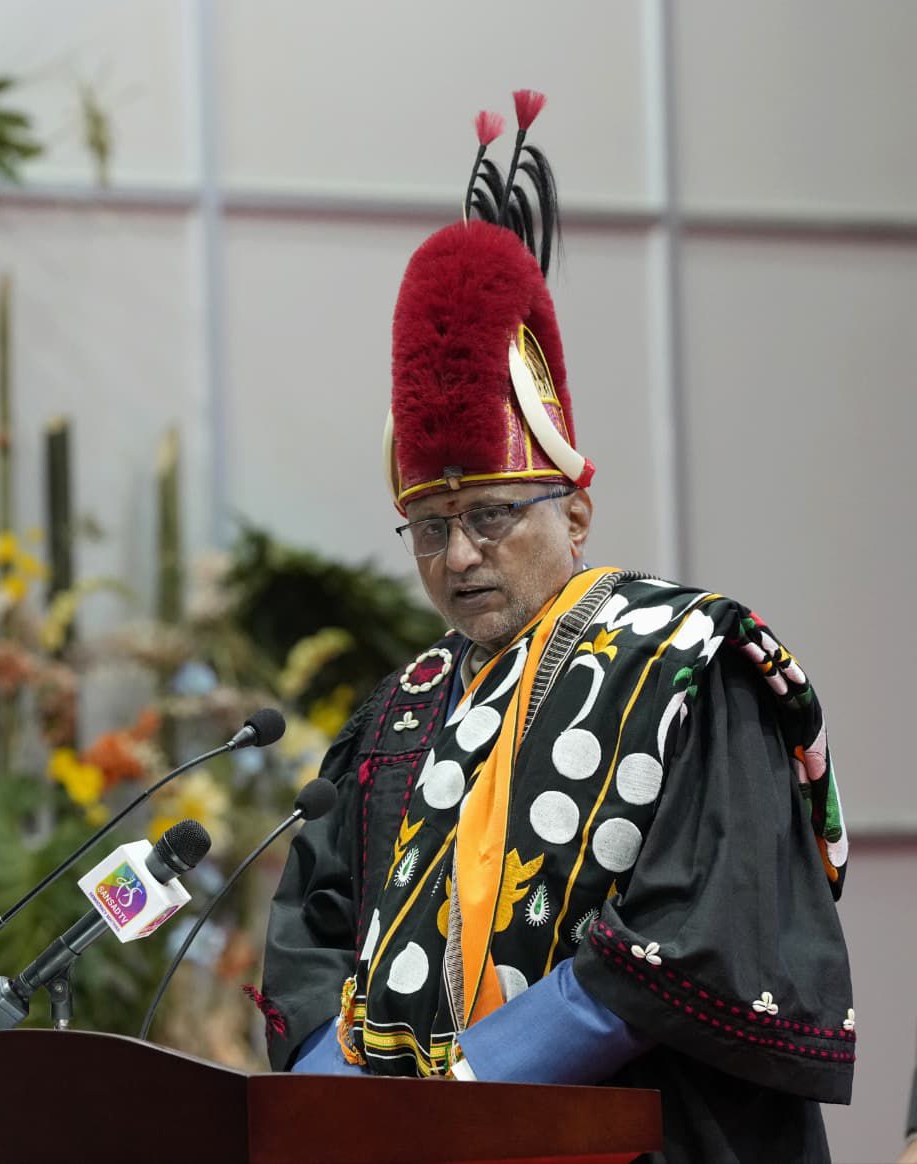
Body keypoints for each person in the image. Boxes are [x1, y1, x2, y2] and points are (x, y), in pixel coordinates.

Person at [257, 92, 854, 1163]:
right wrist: (341, 1099)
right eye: (427, 527)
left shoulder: (685, 669)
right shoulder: (399, 714)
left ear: (575, 511)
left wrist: (468, 1087)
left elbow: (701, 933)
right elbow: (313, 937)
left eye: (489, 515)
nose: (459, 555)